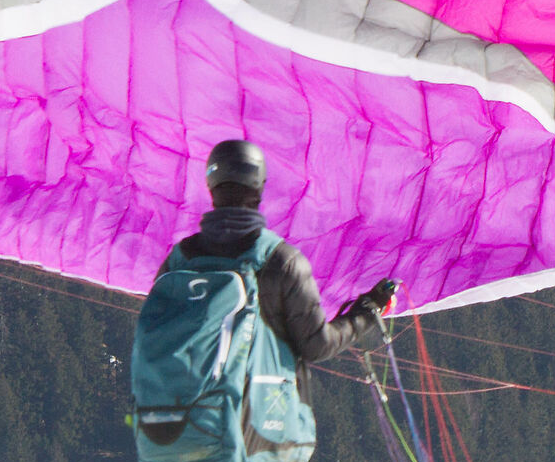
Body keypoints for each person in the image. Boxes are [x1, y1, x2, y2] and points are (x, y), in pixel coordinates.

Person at [161, 138, 398, 400]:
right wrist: (367, 311)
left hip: (182, 419)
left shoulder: (179, 260)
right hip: (258, 421)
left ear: (211, 187)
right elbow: (317, 345)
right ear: (259, 187)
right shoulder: (282, 260)